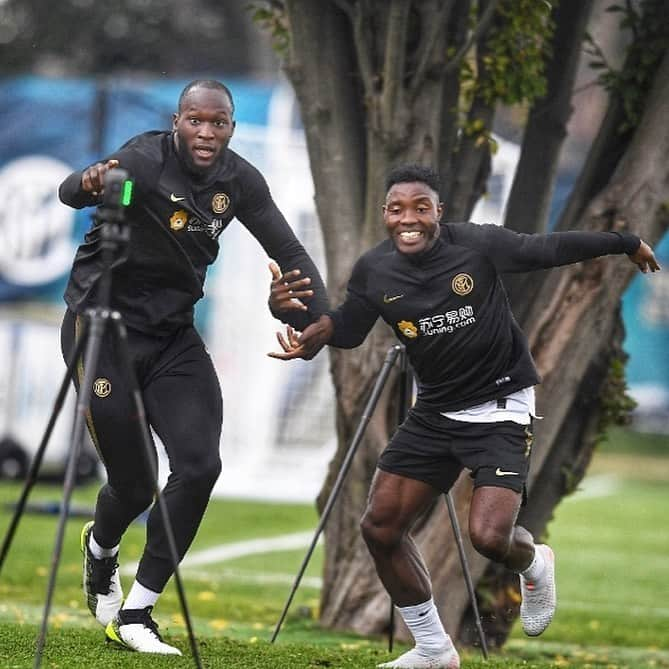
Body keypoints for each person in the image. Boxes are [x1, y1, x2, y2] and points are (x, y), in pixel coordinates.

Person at [268, 164, 660, 669]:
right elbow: (345, 330)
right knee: (380, 528)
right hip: (435, 412)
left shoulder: (476, 246)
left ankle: (535, 562)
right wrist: (294, 317)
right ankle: (433, 650)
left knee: (490, 538)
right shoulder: (375, 270)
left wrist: (623, 240)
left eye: (420, 208)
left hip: (502, 407)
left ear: (439, 213)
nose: (407, 219)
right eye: (396, 209)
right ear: (385, 215)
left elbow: (546, 249)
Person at [58, 79, 328, 655]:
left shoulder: (239, 180)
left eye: (219, 122)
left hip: (174, 337)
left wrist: (321, 325)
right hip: (102, 331)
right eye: (196, 121)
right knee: (134, 485)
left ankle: (137, 613)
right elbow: (74, 193)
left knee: (201, 465)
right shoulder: (141, 162)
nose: (207, 133)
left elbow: (293, 254)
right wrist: (87, 185)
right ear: (177, 121)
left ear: (231, 126)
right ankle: (101, 550)